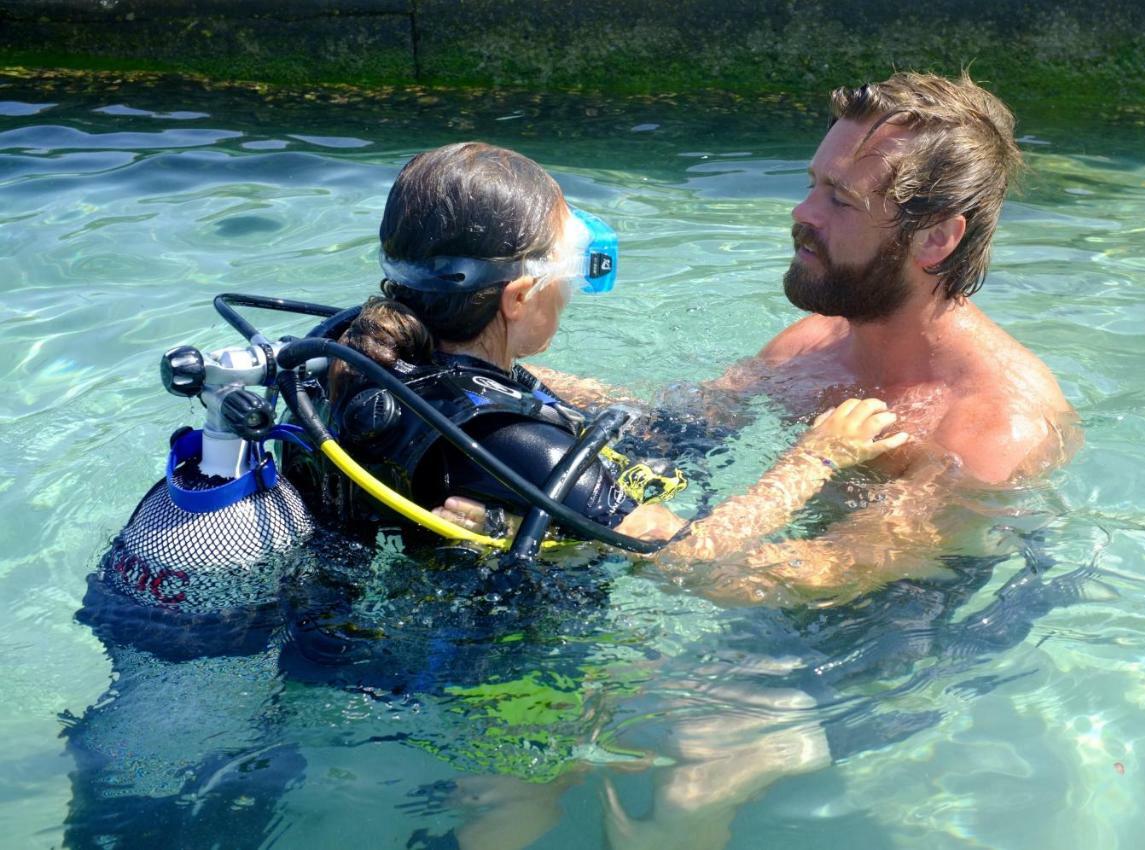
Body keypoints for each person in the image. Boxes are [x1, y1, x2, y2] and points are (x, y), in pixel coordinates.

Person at [518, 71, 1079, 601]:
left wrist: (595, 523)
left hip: (902, 635)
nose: (802, 211)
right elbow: (677, 426)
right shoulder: (814, 344)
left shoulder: (992, 431)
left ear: (935, 239)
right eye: (813, 184)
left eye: (840, 199)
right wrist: (502, 375)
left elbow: (824, 573)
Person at [286, 141, 908, 561]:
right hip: (504, 689)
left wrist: (591, 398)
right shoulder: (514, 445)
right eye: (573, 272)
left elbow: (494, 392)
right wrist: (815, 460)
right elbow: (686, 557)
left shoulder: (359, 352)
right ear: (520, 297)